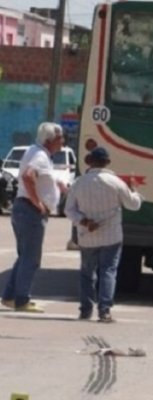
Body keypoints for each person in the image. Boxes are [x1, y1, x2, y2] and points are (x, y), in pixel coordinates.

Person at [64, 147, 143, 322]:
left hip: (87, 236)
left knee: (87, 273)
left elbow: (69, 210)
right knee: (108, 271)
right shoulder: (115, 182)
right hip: (111, 236)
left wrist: (84, 221)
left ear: (90, 161)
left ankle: (85, 310)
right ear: (107, 162)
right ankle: (104, 310)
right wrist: (134, 190)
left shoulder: (79, 182)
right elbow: (133, 205)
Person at [1, 122, 66, 312]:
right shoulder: (39, 155)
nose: (62, 142)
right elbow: (29, 177)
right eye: (60, 138)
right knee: (31, 259)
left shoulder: (38, 153)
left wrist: (58, 186)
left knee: (25, 257)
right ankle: (22, 299)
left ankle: (10, 296)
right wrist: (38, 202)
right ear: (49, 140)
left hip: (24, 209)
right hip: (30, 211)